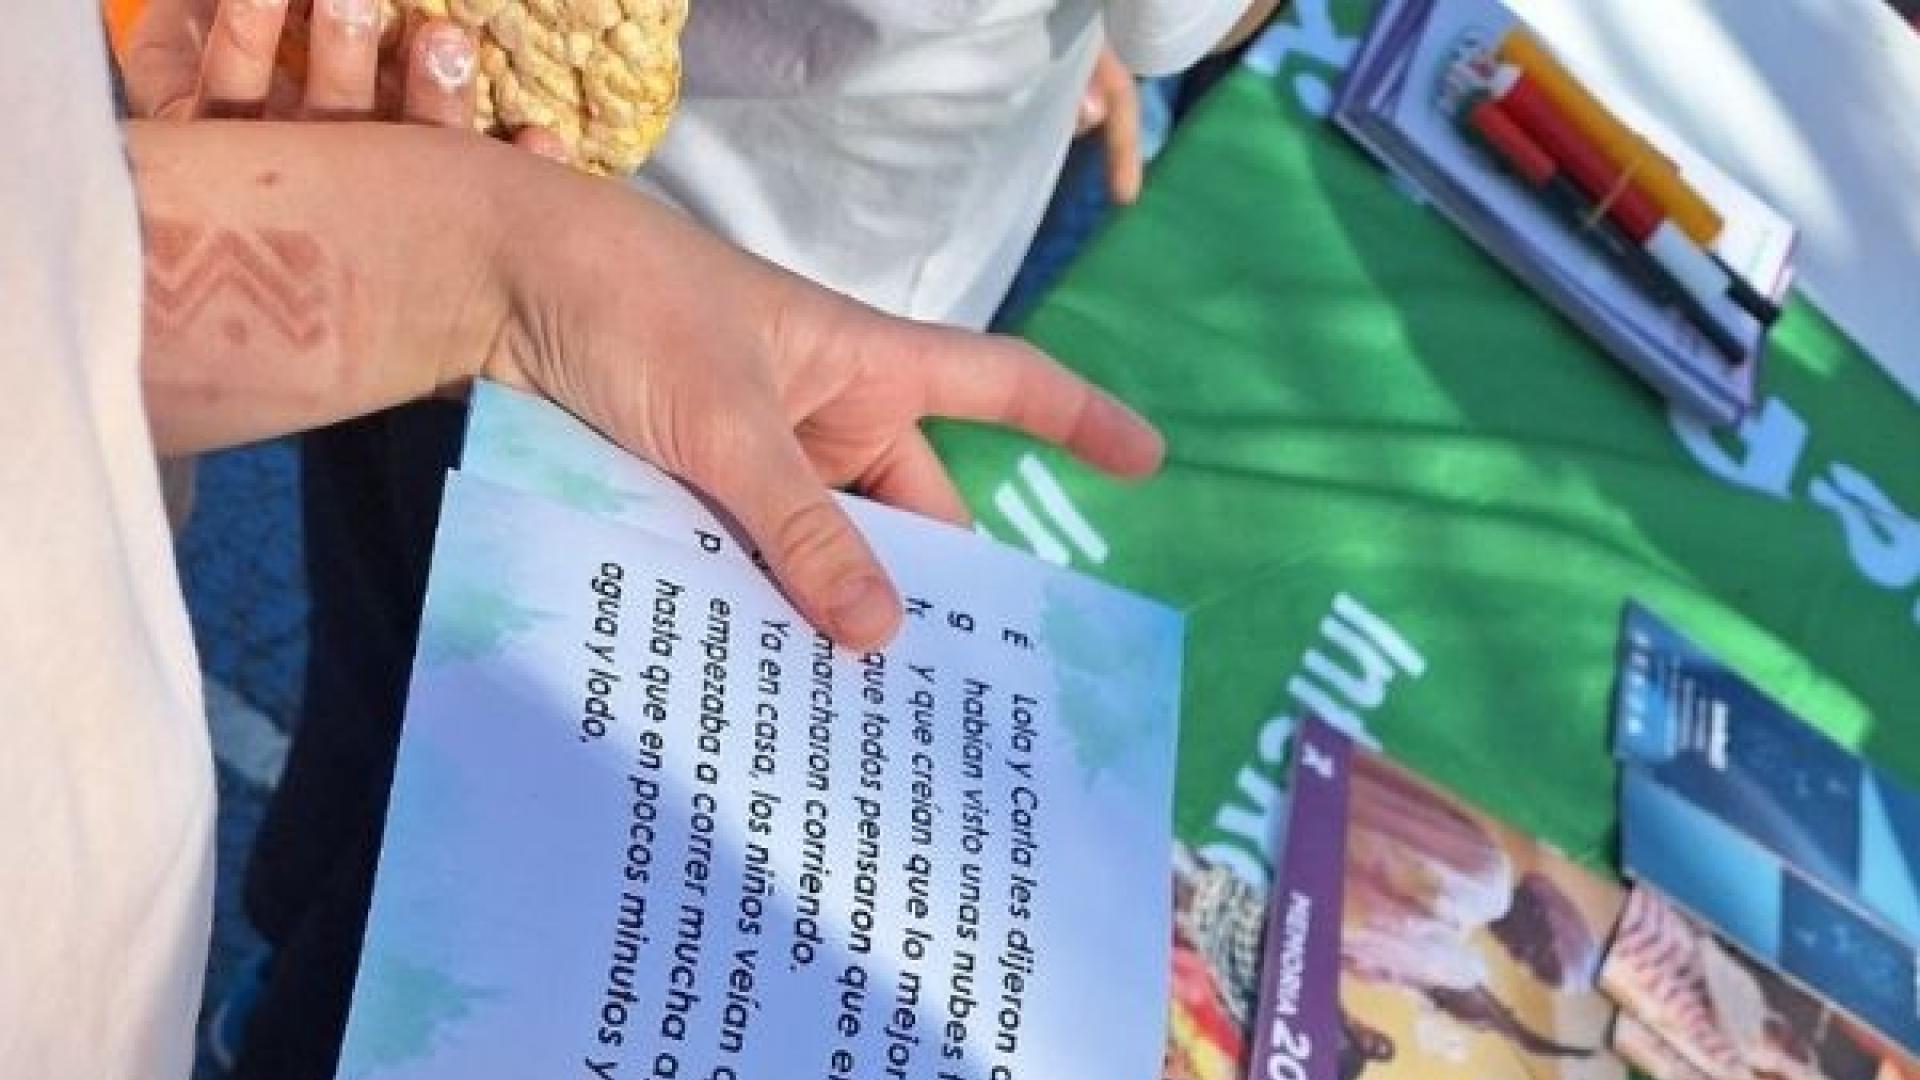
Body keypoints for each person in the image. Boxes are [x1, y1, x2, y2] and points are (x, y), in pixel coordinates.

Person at [2, 1, 1165, 1075]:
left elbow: (58, 285)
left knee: (395, 701)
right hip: (592, 277)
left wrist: (496, 275)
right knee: (503, 821)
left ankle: (289, 982)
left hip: (525, 264)